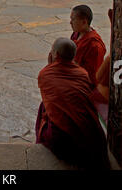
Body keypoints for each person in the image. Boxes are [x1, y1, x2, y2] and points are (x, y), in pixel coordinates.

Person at [36, 37, 110, 169]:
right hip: (94, 140)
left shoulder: (45, 74)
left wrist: (49, 65)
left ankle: (39, 141)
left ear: (56, 55)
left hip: (65, 144)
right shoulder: (82, 73)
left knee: (44, 108)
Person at [70, 4, 106, 86]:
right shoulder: (76, 34)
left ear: (84, 22)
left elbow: (93, 76)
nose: (70, 22)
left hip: (86, 85)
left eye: (73, 19)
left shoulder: (95, 46)